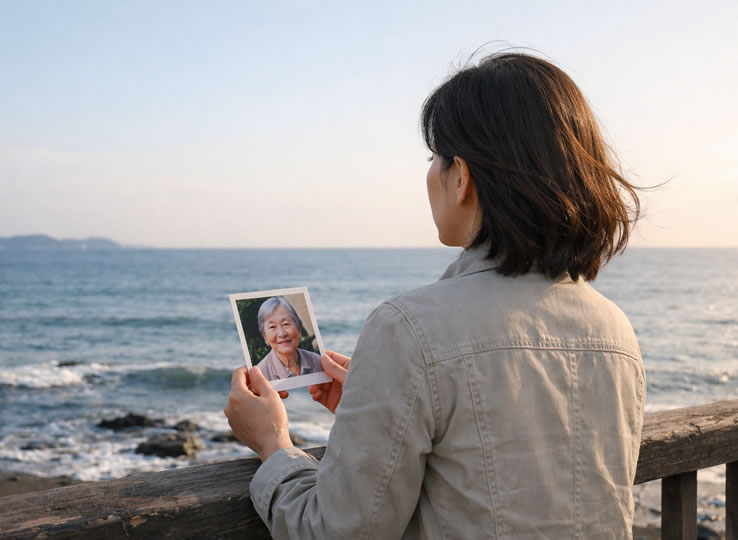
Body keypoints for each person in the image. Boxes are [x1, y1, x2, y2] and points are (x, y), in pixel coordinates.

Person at [225, 51, 646, 539]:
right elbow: (519, 473)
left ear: (461, 176)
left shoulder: (410, 329)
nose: (430, 175)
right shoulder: (614, 330)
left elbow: (337, 530)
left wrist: (273, 444)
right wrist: (381, 418)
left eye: (435, 158)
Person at [254, 296, 322, 381]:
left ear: (299, 329)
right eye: (272, 327)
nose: (282, 334)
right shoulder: (260, 375)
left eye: (286, 324)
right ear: (265, 336)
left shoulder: (317, 361)